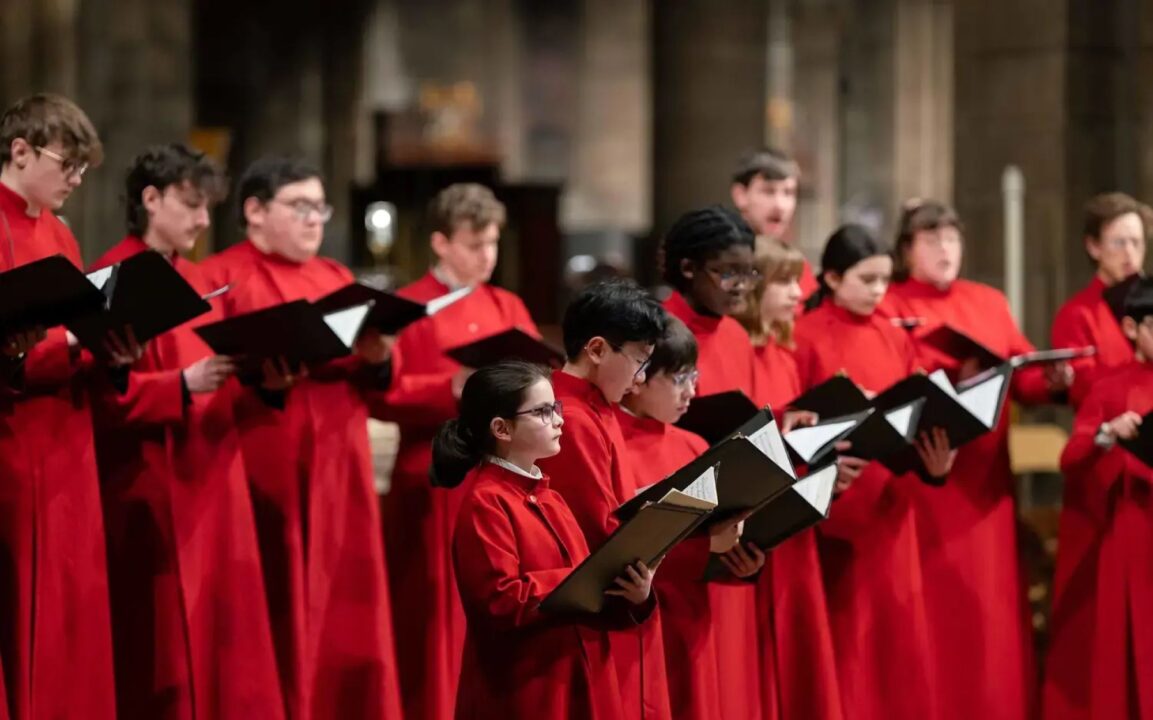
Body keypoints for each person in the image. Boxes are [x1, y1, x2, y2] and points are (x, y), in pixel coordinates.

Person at [200, 155, 402, 719]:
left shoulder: (337, 279)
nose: (315, 220)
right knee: (271, 599)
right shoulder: (219, 275)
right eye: (300, 206)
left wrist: (379, 359)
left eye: (320, 207)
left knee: (346, 601)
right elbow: (200, 373)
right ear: (255, 211)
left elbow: (383, 381)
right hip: (261, 451)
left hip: (340, 460)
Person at [90, 144, 283, 718]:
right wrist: (178, 384)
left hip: (213, 474)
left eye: (207, 208)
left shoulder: (199, 278)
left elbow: (222, 368)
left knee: (222, 637)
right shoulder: (111, 276)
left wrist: (270, 374)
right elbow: (100, 398)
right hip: (151, 481)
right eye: (192, 205)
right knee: (160, 648)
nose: (204, 221)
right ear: (150, 200)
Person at [880, 199, 1072, 720]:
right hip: (923, 484)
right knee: (929, 613)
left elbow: (1023, 372)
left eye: (952, 238)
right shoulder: (890, 303)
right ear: (905, 250)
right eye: (931, 239)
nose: (945, 249)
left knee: (985, 617)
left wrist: (1051, 382)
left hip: (984, 489)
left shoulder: (987, 301)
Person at [0, 93, 136, 720]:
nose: (76, 180)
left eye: (85, 170)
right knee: (26, 605)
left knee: (71, 606)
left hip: (69, 437)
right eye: (68, 164)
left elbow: (71, 329)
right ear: (20, 150)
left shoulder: (60, 232)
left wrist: (110, 348)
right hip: (16, 438)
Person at [381, 183, 538, 720]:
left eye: (492, 243)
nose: (486, 256)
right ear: (442, 243)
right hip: (433, 475)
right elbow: (383, 393)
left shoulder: (508, 305)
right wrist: (449, 388)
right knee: (431, 612)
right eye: (474, 244)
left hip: (501, 475)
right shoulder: (408, 307)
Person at [794, 224, 955, 720]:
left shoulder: (891, 333)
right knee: (846, 643)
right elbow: (794, 424)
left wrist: (936, 466)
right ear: (833, 277)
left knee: (895, 642)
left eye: (885, 279)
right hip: (835, 508)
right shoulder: (804, 334)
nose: (879, 291)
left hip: (891, 505)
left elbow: (911, 411)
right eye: (866, 279)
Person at [434, 361, 655, 719]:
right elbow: (501, 602)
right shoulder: (485, 502)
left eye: (557, 407)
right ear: (501, 428)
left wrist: (633, 595)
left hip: (582, 676)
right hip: (530, 690)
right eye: (543, 411)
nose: (559, 420)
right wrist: (587, 578)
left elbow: (587, 593)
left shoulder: (549, 494)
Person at [536, 279, 672, 719]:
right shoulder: (571, 417)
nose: (640, 380)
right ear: (595, 349)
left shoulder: (596, 406)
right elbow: (595, 529)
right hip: (581, 617)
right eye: (637, 361)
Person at [659, 206, 771, 719]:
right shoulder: (658, 332)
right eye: (728, 272)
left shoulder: (736, 337)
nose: (742, 286)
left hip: (729, 526)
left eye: (750, 272)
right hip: (676, 532)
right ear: (688, 268)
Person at [616, 316, 758, 720]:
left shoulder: (695, 445)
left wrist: (740, 563)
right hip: (641, 617)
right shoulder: (612, 443)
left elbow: (715, 530)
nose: (692, 391)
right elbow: (619, 542)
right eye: (679, 378)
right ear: (638, 378)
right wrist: (705, 548)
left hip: (693, 618)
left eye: (694, 376)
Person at [734, 237, 846, 720]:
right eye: (783, 281)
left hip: (790, 522)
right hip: (752, 519)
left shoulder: (784, 352)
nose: (799, 293)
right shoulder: (736, 349)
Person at [1045, 277, 1153, 720]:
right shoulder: (1110, 387)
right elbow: (1070, 456)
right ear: (1131, 328)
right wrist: (1108, 435)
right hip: (1133, 530)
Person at [1052, 192, 1147, 408]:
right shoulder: (1076, 314)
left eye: (1136, 242)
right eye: (1119, 243)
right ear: (1094, 247)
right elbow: (1085, 391)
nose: (1130, 253)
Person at [729, 148, 817, 302]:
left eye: (788, 193)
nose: (780, 205)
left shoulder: (799, 267)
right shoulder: (720, 262)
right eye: (768, 191)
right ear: (740, 195)